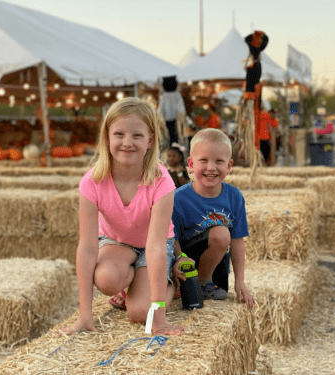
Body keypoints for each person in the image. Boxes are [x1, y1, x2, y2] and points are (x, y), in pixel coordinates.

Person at [59, 97, 184, 337]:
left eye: (137, 135)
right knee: (106, 280)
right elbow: (87, 247)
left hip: (154, 246)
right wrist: (84, 315)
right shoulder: (92, 181)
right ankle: (133, 281)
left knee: (139, 314)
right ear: (107, 138)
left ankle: (170, 284)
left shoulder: (161, 180)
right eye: (119, 134)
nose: (127, 143)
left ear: (150, 141)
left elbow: (156, 246)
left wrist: (158, 317)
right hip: (117, 243)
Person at [171, 128, 255, 310]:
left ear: (229, 166)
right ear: (191, 165)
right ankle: (185, 282)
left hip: (215, 259)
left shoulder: (234, 196)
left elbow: (237, 241)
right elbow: (171, 238)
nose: (211, 168)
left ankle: (204, 281)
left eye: (219, 161)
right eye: (204, 161)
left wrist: (240, 282)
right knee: (220, 232)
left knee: (222, 234)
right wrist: (179, 258)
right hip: (184, 258)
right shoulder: (178, 198)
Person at [158, 76, 186, 148]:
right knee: (176, 137)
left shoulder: (164, 95)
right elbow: (181, 109)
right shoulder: (177, 95)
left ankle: (172, 149)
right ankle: (175, 149)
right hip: (176, 120)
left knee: (169, 137)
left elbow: (160, 110)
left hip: (168, 120)